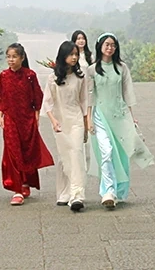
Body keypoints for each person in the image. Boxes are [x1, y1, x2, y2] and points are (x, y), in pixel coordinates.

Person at [85, 33, 154, 209]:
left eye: (113, 45)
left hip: (119, 115)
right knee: (106, 152)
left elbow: (127, 93)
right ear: (100, 46)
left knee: (122, 154)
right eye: (107, 44)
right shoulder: (92, 70)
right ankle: (107, 191)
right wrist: (89, 119)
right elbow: (90, 96)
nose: (110, 48)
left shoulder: (121, 68)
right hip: (101, 116)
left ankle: (118, 190)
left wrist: (131, 117)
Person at [0, 43, 54, 206]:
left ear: (22, 58)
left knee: (26, 151)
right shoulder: (4, 76)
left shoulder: (30, 75)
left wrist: (36, 118)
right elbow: (0, 97)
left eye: (14, 56)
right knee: (12, 152)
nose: (11, 60)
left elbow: (37, 98)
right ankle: (17, 189)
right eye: (8, 56)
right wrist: (1, 115)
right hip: (10, 119)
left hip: (27, 119)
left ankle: (26, 182)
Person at [43, 41, 90, 212]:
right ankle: (64, 193)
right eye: (71, 54)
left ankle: (77, 195)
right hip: (60, 122)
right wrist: (54, 121)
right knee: (64, 157)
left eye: (76, 54)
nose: (74, 57)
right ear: (63, 56)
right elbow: (47, 103)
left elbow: (84, 101)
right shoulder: (53, 78)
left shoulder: (80, 77)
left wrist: (86, 124)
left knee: (76, 154)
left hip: (76, 120)